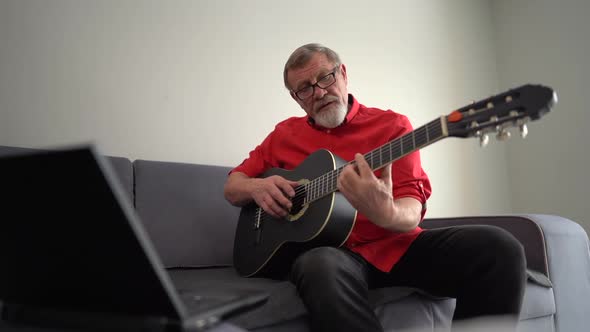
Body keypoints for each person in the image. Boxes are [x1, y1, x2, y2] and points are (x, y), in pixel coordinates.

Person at [224, 43, 526, 332]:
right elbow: (232, 186)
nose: (319, 92)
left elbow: (411, 209)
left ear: (343, 74)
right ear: (296, 98)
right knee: (319, 263)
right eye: (305, 88)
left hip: (396, 247)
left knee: (499, 248)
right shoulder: (283, 135)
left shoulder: (392, 127)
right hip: (333, 257)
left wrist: (387, 212)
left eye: (326, 77)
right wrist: (257, 188)